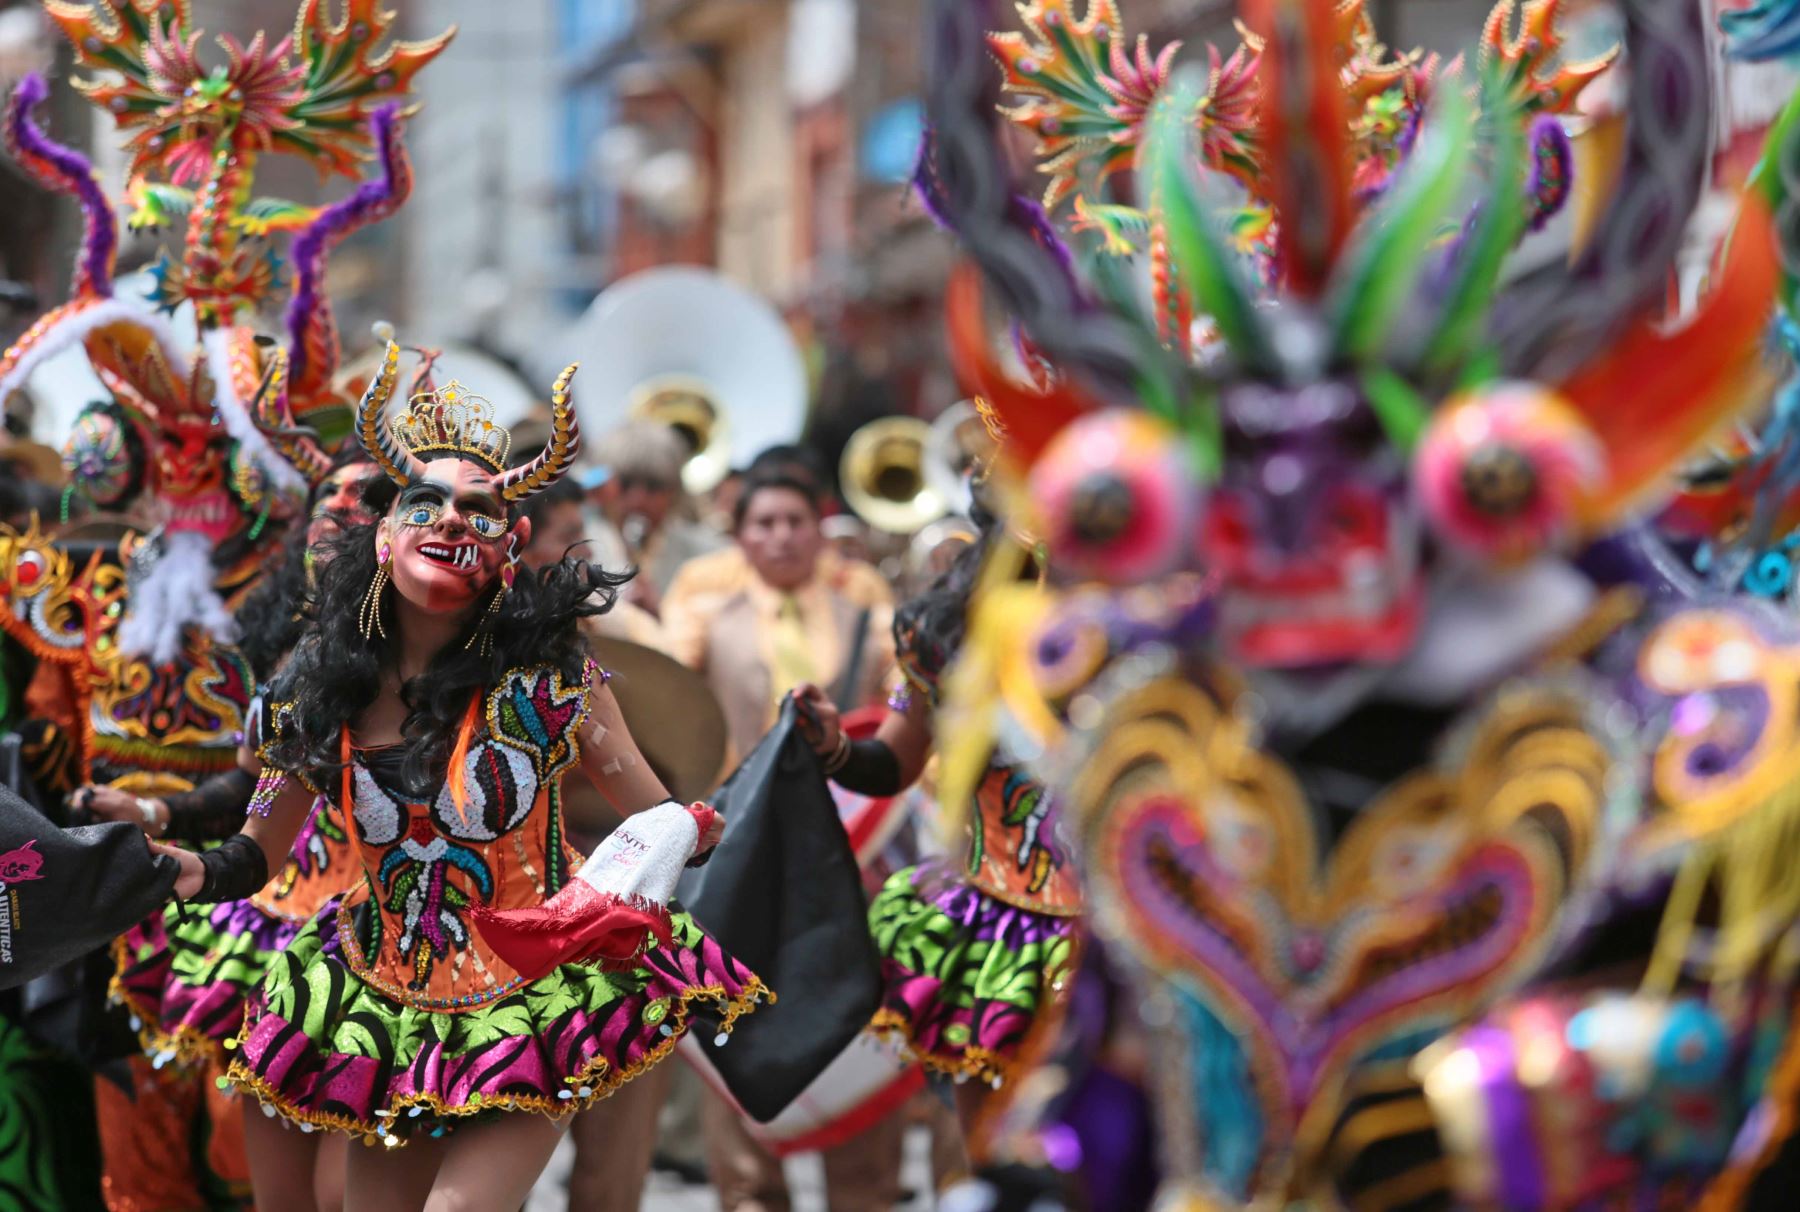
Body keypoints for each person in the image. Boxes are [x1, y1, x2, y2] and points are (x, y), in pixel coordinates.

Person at [153, 352, 762, 1211]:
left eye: (479, 510)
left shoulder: (556, 685)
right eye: (424, 503)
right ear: (385, 533)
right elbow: (255, 853)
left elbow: (659, 814)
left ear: (510, 547)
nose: (451, 522)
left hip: (530, 1003)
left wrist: (681, 837)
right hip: (382, 1005)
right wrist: (183, 869)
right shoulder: (317, 691)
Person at [75, 455, 374, 1212]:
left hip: (388, 938)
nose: (339, 506)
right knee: (241, 1147)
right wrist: (156, 815)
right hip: (273, 906)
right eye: (327, 493)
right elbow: (255, 784)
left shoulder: (438, 660)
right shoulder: (290, 654)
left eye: (369, 497)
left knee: (348, 1184)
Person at [664, 464, 903, 1212]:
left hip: (857, 856)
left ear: (819, 527)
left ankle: (864, 1190)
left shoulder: (862, 608)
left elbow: (903, 712)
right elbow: (669, 701)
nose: (781, 536)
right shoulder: (708, 612)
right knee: (737, 1029)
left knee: (860, 1026)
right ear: (741, 535)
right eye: (763, 523)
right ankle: (747, 1194)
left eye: (795, 521)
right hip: (741, 859)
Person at [795, 521, 1077, 1136]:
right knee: (995, 1145)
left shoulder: (1146, 616)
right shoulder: (943, 632)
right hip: (1002, 928)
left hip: (1123, 928)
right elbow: (897, 754)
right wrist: (836, 745)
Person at [583, 421, 725, 616]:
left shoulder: (713, 553)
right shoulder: (576, 548)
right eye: (624, 484)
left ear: (674, 490)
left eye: (653, 485)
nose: (637, 500)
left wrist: (665, 612)